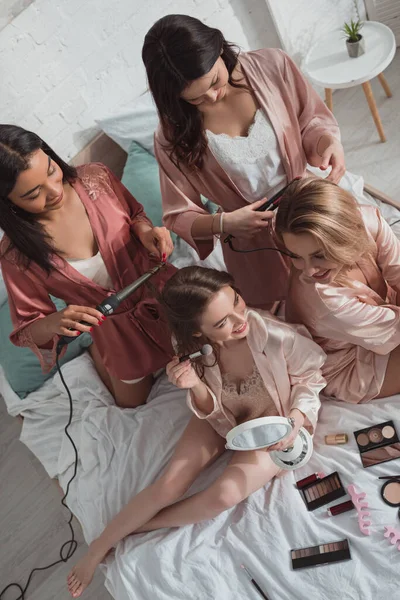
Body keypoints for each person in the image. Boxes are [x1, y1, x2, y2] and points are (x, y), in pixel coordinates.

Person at [67, 266, 325, 597]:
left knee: (224, 494)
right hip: (221, 418)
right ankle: (99, 546)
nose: (238, 319)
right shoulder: (192, 351)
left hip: (273, 426)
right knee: (169, 485)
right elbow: (212, 410)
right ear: (199, 333)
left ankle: (140, 526)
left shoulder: (273, 334)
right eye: (221, 323)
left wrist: (297, 418)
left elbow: (311, 375)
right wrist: (194, 386)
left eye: (236, 302)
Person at [142, 14, 345, 310]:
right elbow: (178, 214)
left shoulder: (273, 66)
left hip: (312, 207)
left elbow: (310, 120)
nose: (212, 97)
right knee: (296, 316)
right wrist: (224, 222)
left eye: (214, 81)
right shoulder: (170, 136)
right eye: (195, 99)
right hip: (254, 244)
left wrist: (328, 143)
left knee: (351, 286)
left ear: (218, 48)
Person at [0, 124, 176, 408]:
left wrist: (146, 233)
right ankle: (97, 353)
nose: (54, 190)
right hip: (116, 336)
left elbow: (135, 214)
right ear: (7, 203)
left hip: (165, 296)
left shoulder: (95, 177)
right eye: (33, 194)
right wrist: (55, 321)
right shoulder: (15, 255)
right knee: (131, 406)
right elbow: (26, 329)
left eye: (51, 170)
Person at [275, 177, 400, 402]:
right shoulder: (324, 300)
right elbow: (393, 329)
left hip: (382, 321)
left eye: (319, 255)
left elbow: (398, 272)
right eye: (295, 256)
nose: (309, 271)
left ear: (346, 235)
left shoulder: (369, 221)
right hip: (350, 363)